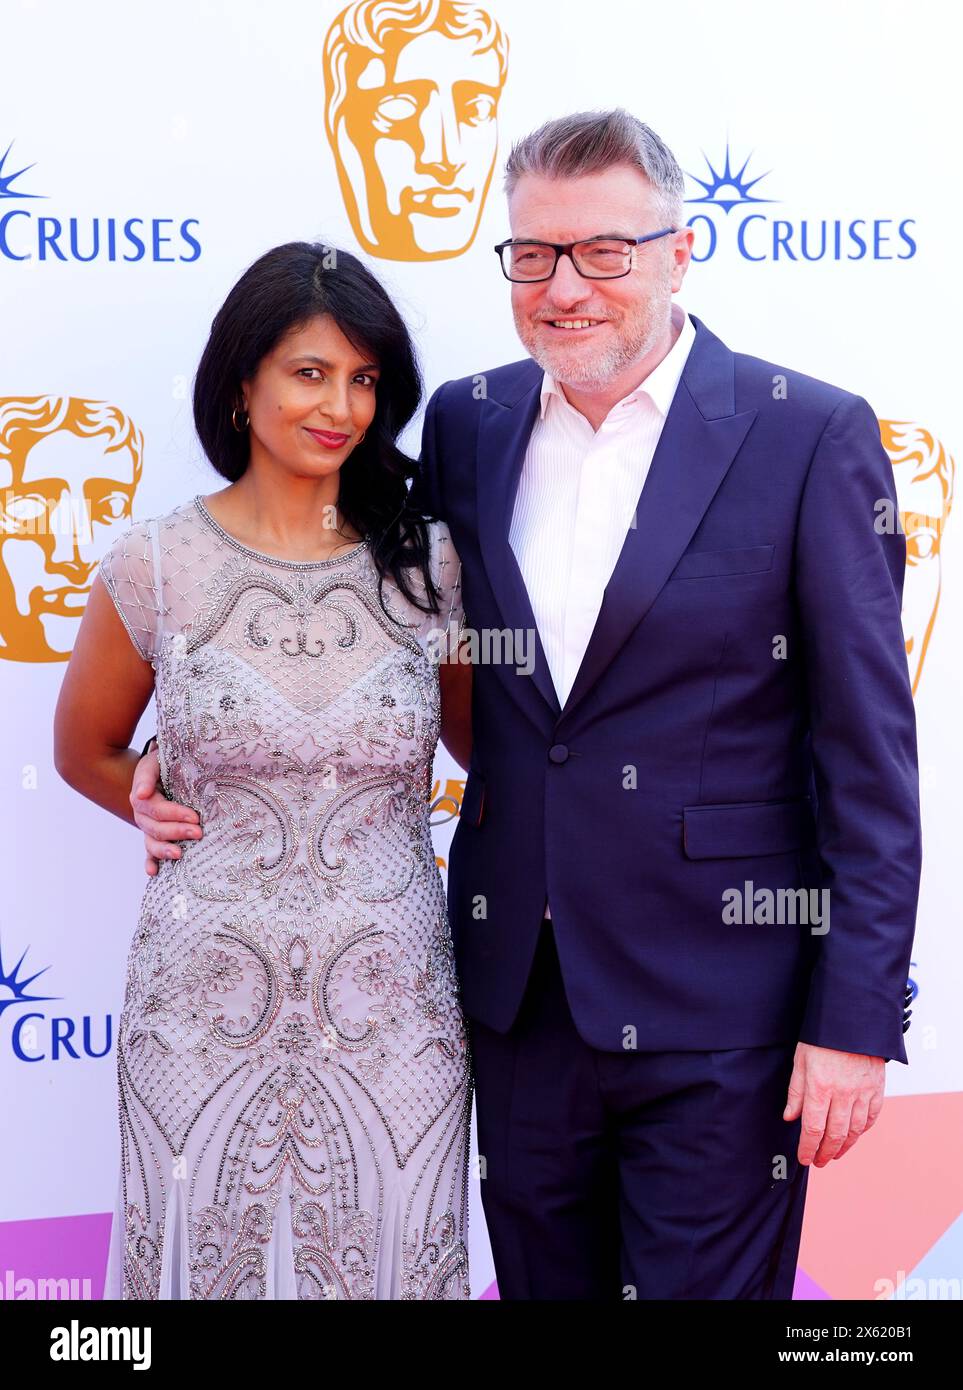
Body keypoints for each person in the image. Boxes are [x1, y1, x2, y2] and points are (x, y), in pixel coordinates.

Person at [129, 110, 922, 1301]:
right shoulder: (470, 421)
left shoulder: (808, 434)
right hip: (511, 1003)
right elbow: (368, 614)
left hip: (725, 1012)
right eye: (534, 255)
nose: (565, 288)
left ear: (679, 250)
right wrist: (185, 750)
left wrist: (855, 1020)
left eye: (604, 250)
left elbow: (868, 753)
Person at [54, 241, 474, 1300]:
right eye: (309, 370)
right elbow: (84, 747)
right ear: (241, 381)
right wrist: (144, 795)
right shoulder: (153, 563)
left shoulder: (429, 564)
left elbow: (488, 751)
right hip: (200, 1001)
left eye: (366, 379)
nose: (341, 404)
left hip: (397, 1001)